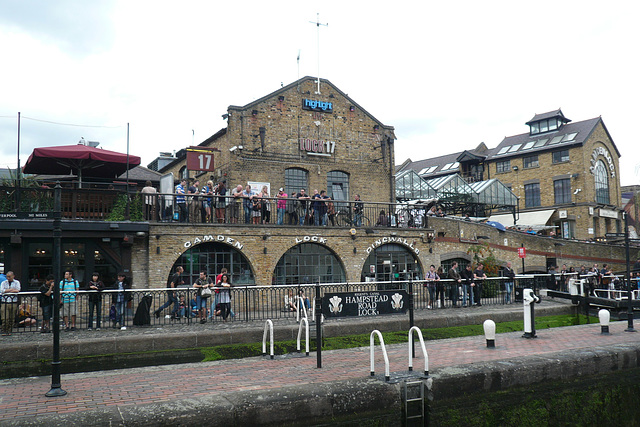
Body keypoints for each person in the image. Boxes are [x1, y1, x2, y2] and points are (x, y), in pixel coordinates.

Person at [1, 271, 21, 336]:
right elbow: (2, 290)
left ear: (13, 276)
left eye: (9, 276)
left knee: (12, 317)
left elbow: (17, 290)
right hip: (5, 301)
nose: (8, 278)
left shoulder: (17, 282)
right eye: (7, 277)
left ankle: (9, 330)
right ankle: (4, 330)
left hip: (13, 301)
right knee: (4, 317)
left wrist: (7, 290)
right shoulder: (4, 282)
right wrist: (12, 290)